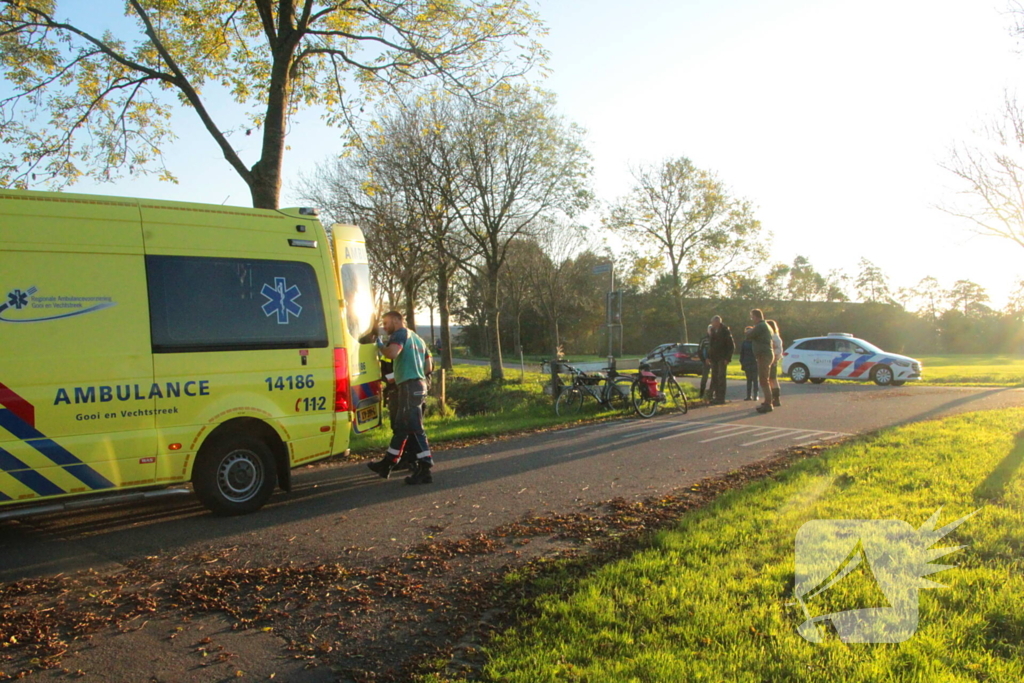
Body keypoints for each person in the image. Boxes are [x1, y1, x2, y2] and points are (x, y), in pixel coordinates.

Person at [367, 311, 435, 484]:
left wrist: (379, 345)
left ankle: (425, 468)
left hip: (408, 386)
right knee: (402, 427)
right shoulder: (418, 339)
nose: (384, 326)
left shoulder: (400, 333)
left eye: (386, 322)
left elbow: (392, 354)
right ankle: (387, 464)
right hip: (419, 385)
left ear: (397, 320)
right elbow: (429, 366)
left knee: (414, 427)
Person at [745, 309, 775, 413]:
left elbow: (749, 335)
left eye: (752, 317)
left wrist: (748, 331)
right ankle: (768, 401)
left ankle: (768, 403)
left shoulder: (761, 326)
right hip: (765, 354)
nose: (751, 319)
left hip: (764, 355)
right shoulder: (765, 325)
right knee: (764, 379)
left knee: (764, 380)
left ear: (756, 316)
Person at [707, 315, 735, 404]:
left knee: (721, 377)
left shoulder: (725, 331)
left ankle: (721, 397)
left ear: (717, 322)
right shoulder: (712, 331)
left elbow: (731, 346)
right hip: (714, 357)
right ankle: (716, 396)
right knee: (714, 377)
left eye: (713, 322)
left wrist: (728, 358)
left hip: (722, 357)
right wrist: (709, 356)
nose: (712, 324)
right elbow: (711, 345)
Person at [739, 326, 759, 401]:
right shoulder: (744, 342)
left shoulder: (755, 342)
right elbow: (742, 353)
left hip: (754, 362)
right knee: (749, 380)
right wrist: (742, 362)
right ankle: (748, 395)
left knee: (755, 379)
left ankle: (756, 395)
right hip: (747, 362)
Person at [767, 319, 783, 408]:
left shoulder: (774, 337)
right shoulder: (776, 336)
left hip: (772, 360)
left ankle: (775, 398)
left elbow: (776, 349)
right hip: (774, 359)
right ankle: (775, 398)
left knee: (772, 379)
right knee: (772, 379)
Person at [697, 325, 712, 399]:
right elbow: (699, 351)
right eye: (710, 329)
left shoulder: (717, 339)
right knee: (704, 378)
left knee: (715, 378)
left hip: (715, 361)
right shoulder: (704, 340)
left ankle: (711, 394)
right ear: (707, 330)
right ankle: (701, 393)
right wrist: (704, 360)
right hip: (706, 361)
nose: (711, 331)